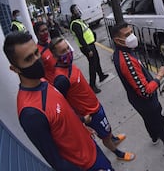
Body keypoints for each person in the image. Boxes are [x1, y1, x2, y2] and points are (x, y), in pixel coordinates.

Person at [3, 32, 114, 171]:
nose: (37, 59)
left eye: (36, 53)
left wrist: (80, 125)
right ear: (15, 69)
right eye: (29, 59)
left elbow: (62, 113)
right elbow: (57, 162)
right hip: (86, 166)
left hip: (91, 149)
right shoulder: (31, 113)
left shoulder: (43, 82)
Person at [49, 37, 135, 162]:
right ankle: (118, 154)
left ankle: (114, 139)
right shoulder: (61, 79)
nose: (68, 52)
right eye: (63, 51)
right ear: (55, 56)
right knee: (104, 136)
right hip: (90, 114)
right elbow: (62, 105)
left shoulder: (69, 66)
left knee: (106, 128)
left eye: (68, 48)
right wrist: (81, 121)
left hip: (95, 105)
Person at [111, 23, 164, 154]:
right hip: (146, 102)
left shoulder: (121, 52)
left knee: (148, 119)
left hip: (136, 100)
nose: (132, 36)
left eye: (131, 32)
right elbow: (146, 91)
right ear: (117, 40)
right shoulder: (126, 60)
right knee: (159, 120)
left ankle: (154, 137)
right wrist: (159, 75)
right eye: (127, 35)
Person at [69, 4, 109, 93]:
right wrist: (88, 50)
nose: (78, 11)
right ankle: (92, 85)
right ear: (73, 13)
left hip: (90, 44)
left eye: (78, 9)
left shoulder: (79, 21)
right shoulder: (75, 24)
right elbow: (81, 38)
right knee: (93, 64)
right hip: (87, 47)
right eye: (76, 10)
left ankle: (101, 75)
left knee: (96, 60)